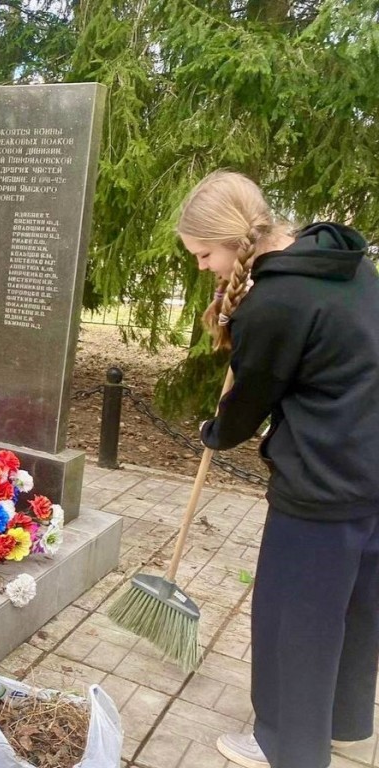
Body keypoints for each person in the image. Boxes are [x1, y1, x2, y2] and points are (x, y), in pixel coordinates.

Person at [178, 170, 379, 768]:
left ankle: (287, 744)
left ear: (235, 242)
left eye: (204, 254)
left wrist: (218, 432)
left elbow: (250, 400)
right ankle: (343, 724)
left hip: (322, 479)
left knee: (296, 616)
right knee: (355, 605)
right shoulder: (347, 264)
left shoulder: (274, 302)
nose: (201, 267)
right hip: (371, 468)